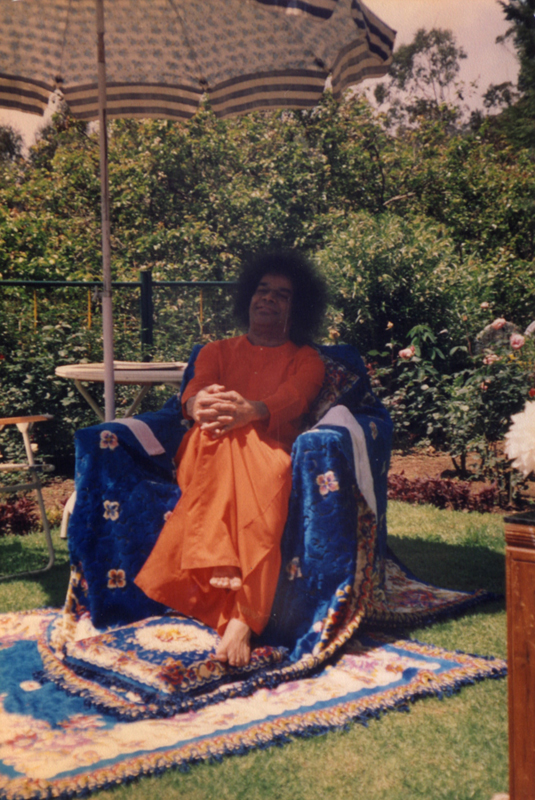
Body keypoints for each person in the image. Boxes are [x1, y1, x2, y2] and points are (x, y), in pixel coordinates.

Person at [135, 250, 326, 667]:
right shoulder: (215, 351)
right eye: (262, 290)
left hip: (270, 455)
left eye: (282, 295)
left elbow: (296, 397)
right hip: (204, 449)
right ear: (248, 297)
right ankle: (243, 614)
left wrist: (252, 411)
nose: (268, 298)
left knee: (246, 451)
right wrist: (196, 404)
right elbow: (197, 390)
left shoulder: (307, 359)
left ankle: (231, 595)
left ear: (298, 308)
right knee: (217, 432)